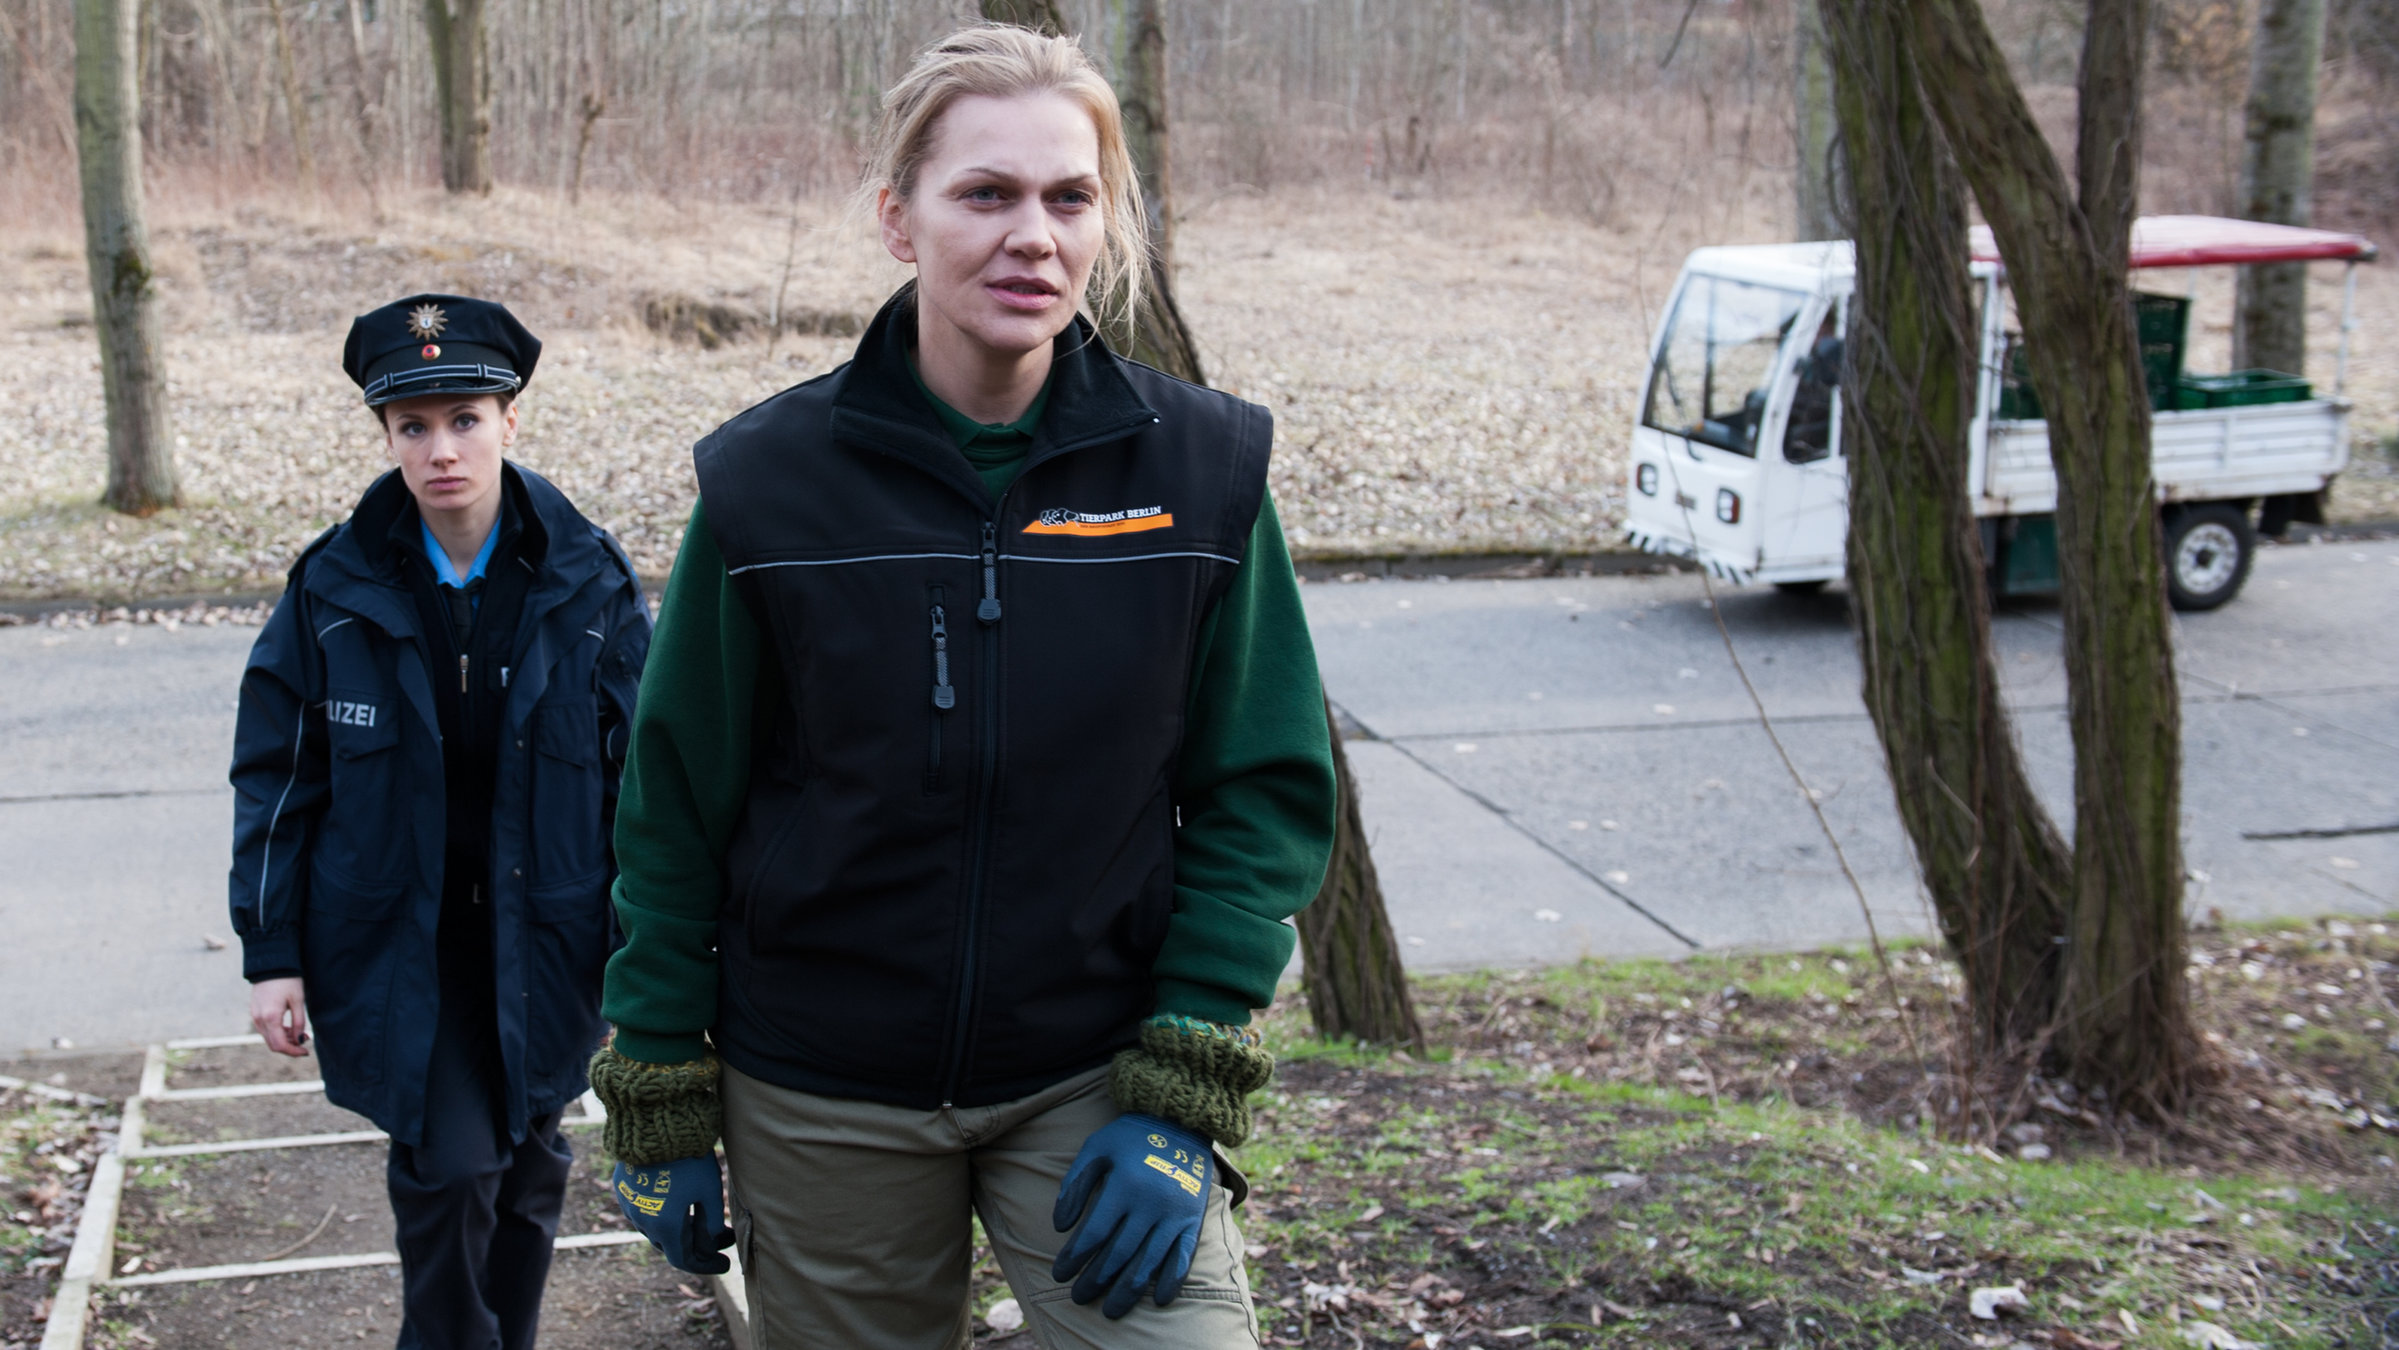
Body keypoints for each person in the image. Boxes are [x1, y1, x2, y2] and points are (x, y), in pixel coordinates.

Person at [589, 23, 1337, 1349]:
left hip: (1094, 1072)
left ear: (1107, 221)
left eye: (1068, 197)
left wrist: (1181, 1086)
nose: (1030, 236)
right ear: (899, 218)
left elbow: (1260, 794)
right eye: (984, 194)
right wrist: (658, 1078)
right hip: (821, 1089)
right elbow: (676, 803)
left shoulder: (1204, 474)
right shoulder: (766, 484)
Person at [228, 294, 651, 1350]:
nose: (440, 449)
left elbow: (642, 779)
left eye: (464, 418)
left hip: (548, 937)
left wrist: (657, 943)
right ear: (385, 437)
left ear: (512, 420)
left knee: (526, 1159)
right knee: (450, 1164)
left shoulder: (586, 579)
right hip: (396, 940)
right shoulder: (333, 586)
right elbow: (278, 776)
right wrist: (269, 954)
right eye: (412, 427)